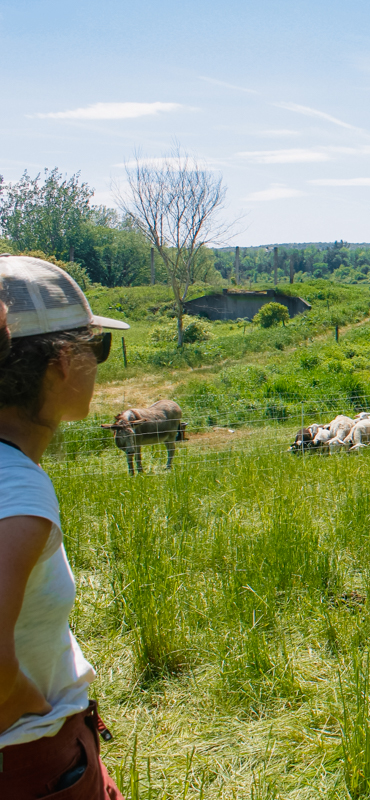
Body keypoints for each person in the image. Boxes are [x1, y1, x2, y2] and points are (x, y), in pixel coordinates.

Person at [0, 254, 129, 798]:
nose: (101, 363)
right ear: (59, 361)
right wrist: (39, 709)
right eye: (95, 346)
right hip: (31, 762)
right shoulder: (18, 488)